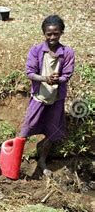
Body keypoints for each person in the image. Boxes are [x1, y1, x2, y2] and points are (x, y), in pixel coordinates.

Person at [20, 15, 75, 175]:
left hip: (56, 98)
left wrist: (59, 79)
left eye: (55, 34)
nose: (52, 37)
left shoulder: (67, 52)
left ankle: (42, 160)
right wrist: (45, 78)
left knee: (52, 130)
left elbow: (67, 74)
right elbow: (30, 73)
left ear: (61, 33)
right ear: (44, 34)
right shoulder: (36, 50)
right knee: (27, 127)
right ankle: (15, 160)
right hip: (38, 97)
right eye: (48, 34)